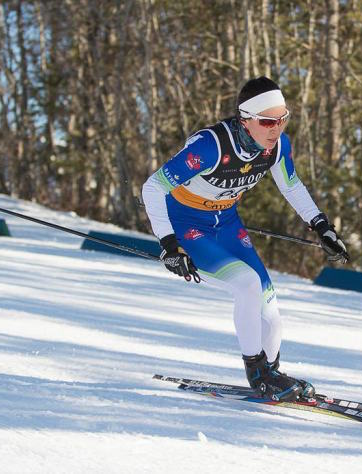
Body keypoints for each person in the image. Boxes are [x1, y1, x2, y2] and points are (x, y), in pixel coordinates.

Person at [142, 76, 349, 402]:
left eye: (282, 119)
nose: (275, 129)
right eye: (267, 121)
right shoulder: (210, 147)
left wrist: (321, 226)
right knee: (247, 284)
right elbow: (152, 188)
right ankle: (257, 373)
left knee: (269, 304)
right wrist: (169, 245)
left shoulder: (277, 146)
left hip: (227, 222)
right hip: (187, 226)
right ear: (245, 120)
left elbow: (291, 186)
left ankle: (272, 373)